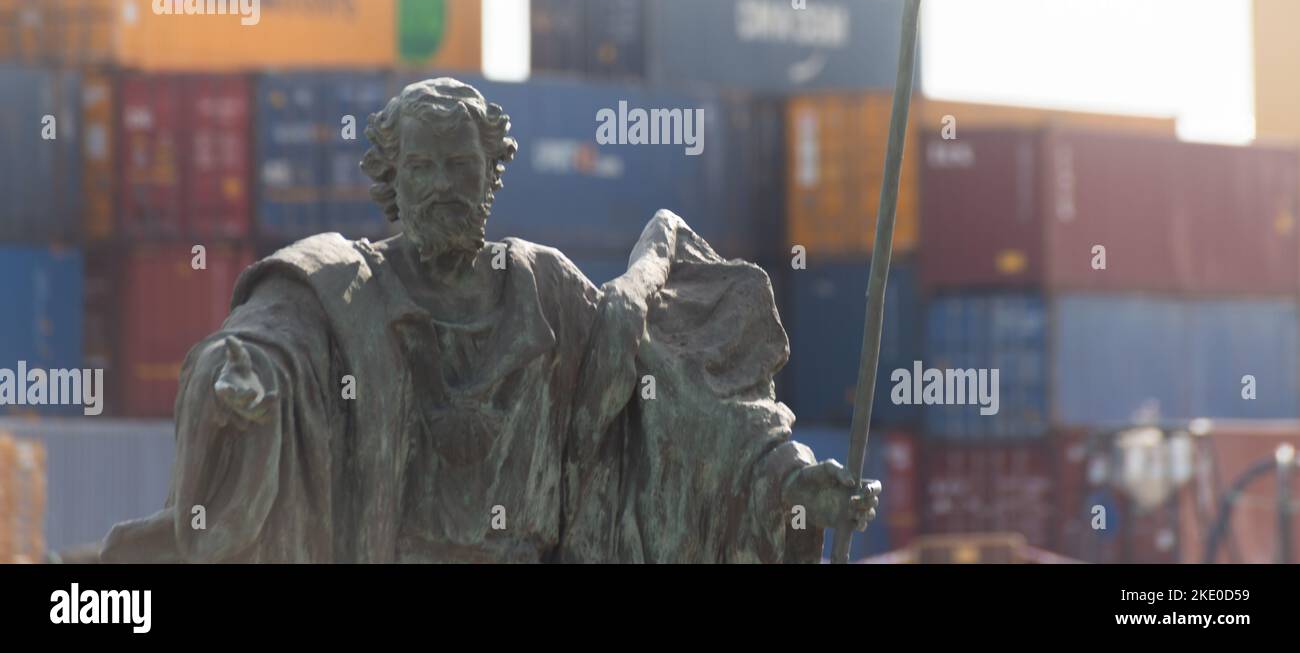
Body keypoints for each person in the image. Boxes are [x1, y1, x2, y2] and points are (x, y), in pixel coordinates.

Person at [101, 77, 878, 563]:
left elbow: (682, 411)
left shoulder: (547, 290)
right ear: (392, 180)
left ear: (490, 174)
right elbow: (264, 347)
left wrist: (790, 483)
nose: (442, 184)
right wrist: (240, 379)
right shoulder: (340, 289)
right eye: (423, 166)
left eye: (460, 165)